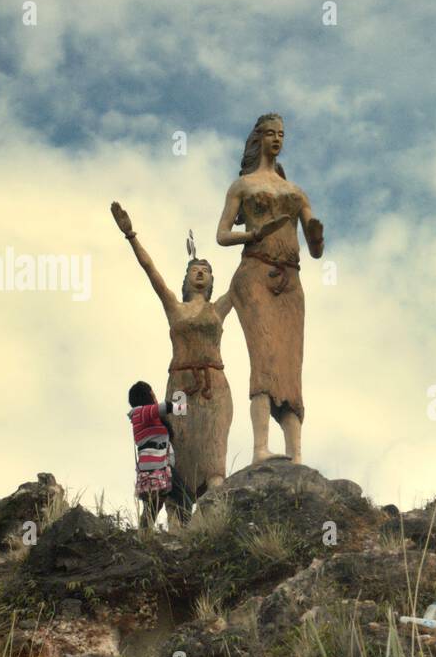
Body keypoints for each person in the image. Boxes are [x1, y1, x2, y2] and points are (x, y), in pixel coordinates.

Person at [215, 113, 325, 464]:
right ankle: (260, 448)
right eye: (271, 133)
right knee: (264, 358)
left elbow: (315, 246)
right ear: (258, 138)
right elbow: (221, 235)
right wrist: (253, 234)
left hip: (291, 280)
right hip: (256, 274)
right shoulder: (243, 186)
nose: (277, 139)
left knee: (291, 365)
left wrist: (316, 235)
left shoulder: (295, 191)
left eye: (282, 134)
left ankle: (296, 454)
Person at [112, 204, 234, 506]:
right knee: (177, 450)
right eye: (195, 270)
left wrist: (258, 238)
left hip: (213, 388)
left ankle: (214, 515)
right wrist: (131, 236)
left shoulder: (217, 308)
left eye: (206, 271)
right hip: (180, 386)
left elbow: (242, 280)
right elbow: (151, 272)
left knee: (213, 455)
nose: (201, 273)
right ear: (187, 279)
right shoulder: (174, 308)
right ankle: (177, 521)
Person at [128, 381, 179, 529]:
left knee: (153, 507)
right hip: (156, 470)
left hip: (157, 469)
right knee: (184, 497)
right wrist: (179, 407)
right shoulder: (139, 413)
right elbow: (165, 407)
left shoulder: (150, 418)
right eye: (152, 394)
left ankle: (143, 535)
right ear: (146, 396)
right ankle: (185, 530)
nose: (155, 397)